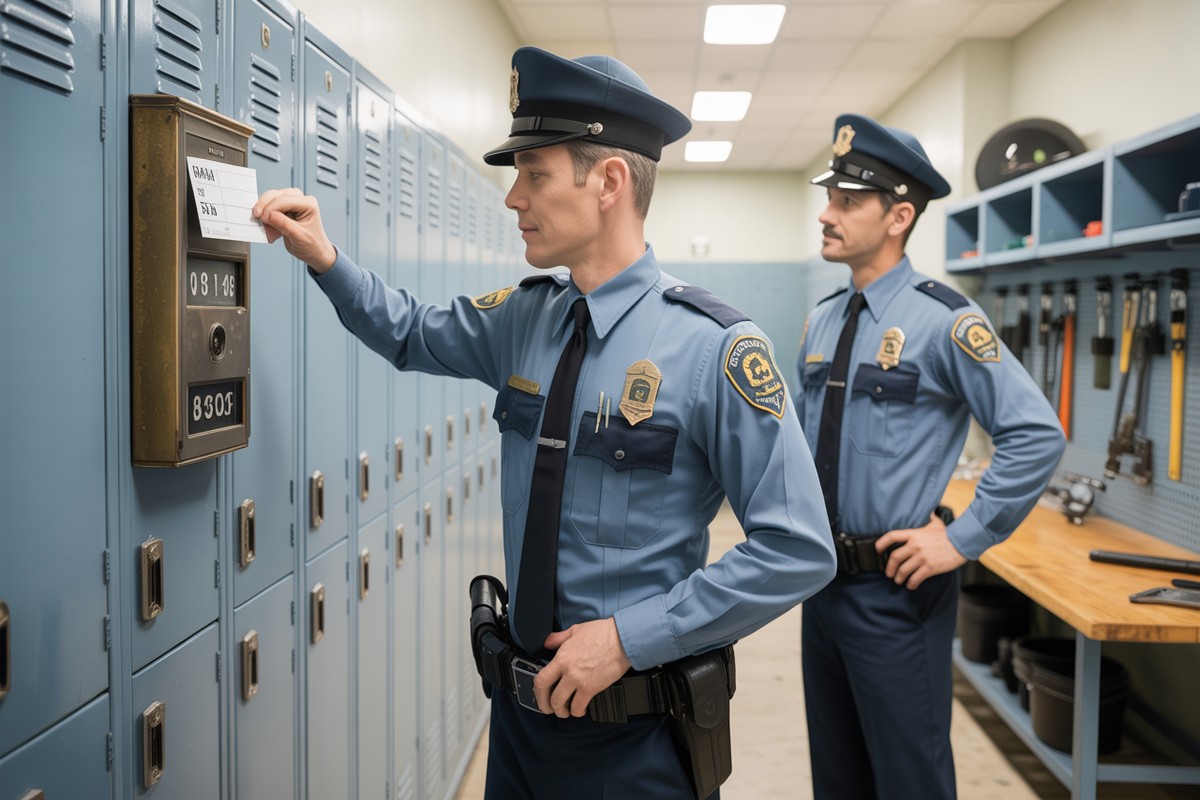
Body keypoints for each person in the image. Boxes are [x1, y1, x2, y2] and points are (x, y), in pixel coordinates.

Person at [255, 46, 836, 800]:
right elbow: (410, 332)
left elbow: (798, 548)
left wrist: (628, 639)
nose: (513, 198)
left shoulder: (713, 349)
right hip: (518, 721)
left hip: (634, 736)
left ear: (609, 182)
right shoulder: (526, 318)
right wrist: (325, 257)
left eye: (535, 174)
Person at [793, 113, 1066, 800]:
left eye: (847, 201)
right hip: (819, 586)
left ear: (899, 216)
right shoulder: (823, 318)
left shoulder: (945, 320)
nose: (826, 214)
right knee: (837, 777)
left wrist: (961, 539)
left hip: (895, 589)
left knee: (909, 778)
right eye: (830, 199)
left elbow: (1036, 434)